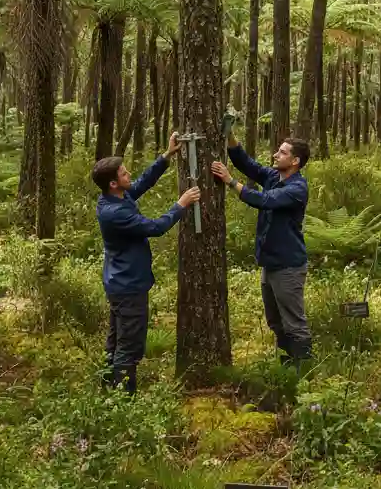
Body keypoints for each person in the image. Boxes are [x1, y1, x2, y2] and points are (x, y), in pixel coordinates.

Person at [92, 135, 200, 394]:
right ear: (113, 183)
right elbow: (155, 227)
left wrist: (166, 156)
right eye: (123, 172)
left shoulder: (117, 197)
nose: (129, 173)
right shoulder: (115, 213)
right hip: (127, 287)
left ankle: (107, 392)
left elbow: (141, 184)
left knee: (116, 342)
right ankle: (123, 404)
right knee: (128, 347)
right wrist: (180, 205)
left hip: (121, 283)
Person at [211, 132, 311, 365]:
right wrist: (231, 135)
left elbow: (265, 200)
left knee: (294, 322)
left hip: (288, 266)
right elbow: (247, 164)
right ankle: (286, 365)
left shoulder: (297, 188)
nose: (276, 155)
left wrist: (230, 181)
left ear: (295, 161)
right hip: (270, 263)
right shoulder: (274, 176)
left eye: (283, 152)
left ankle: (303, 373)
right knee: (275, 321)